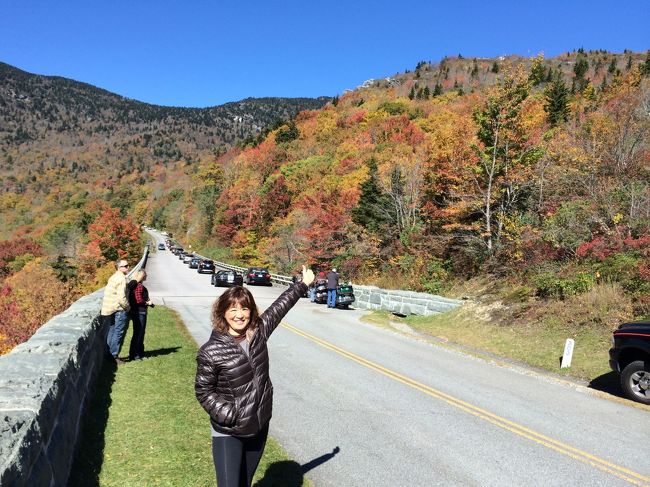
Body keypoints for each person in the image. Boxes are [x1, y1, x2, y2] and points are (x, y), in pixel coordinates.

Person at [195, 265, 314, 487]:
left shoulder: (258, 332)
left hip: (258, 425)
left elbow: (280, 307)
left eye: (244, 309)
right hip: (228, 430)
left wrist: (303, 284)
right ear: (222, 313)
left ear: (251, 311)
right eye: (233, 310)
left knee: (245, 482)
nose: (239, 315)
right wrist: (229, 414)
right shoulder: (210, 350)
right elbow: (203, 391)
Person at [101, 259, 130, 364]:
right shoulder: (121, 279)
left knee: (112, 331)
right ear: (119, 267)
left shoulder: (113, 277)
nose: (128, 267)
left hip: (110, 308)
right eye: (125, 266)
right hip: (119, 309)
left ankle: (108, 354)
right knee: (118, 332)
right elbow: (121, 298)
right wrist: (127, 307)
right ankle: (113, 356)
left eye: (128, 265)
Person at [128, 269, 154, 361]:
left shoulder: (136, 285)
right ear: (142, 276)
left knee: (139, 333)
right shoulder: (139, 286)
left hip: (137, 312)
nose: (147, 276)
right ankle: (136, 354)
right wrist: (148, 303)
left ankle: (139, 353)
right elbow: (138, 299)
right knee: (139, 333)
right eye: (146, 275)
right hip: (139, 312)